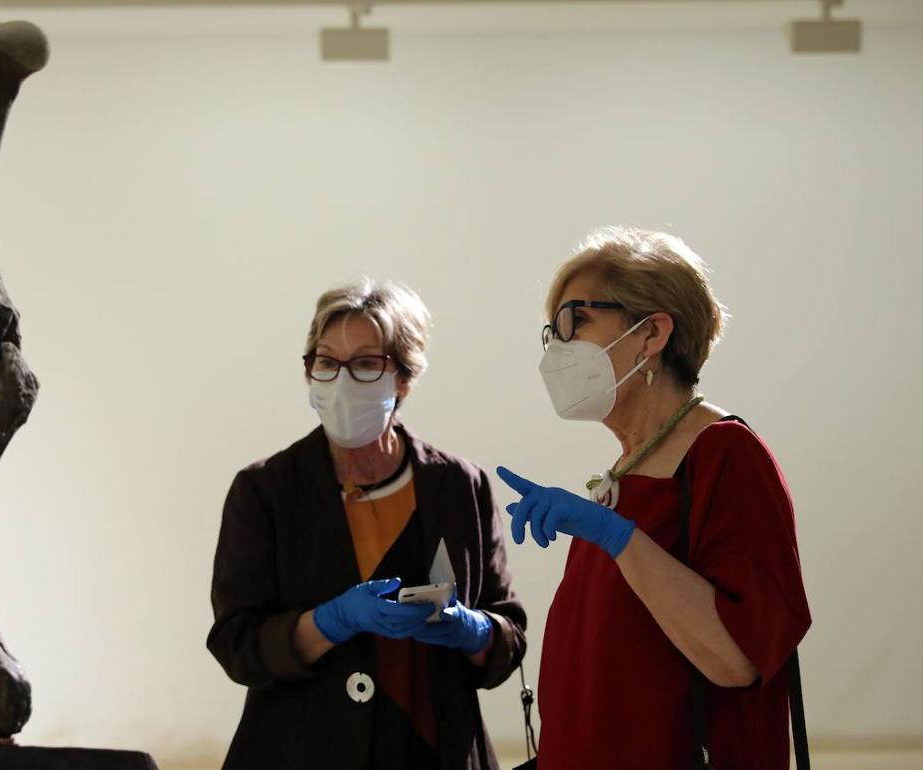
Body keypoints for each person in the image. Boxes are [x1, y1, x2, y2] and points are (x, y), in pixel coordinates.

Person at [498, 227, 811, 769]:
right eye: (553, 332)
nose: (559, 349)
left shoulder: (726, 455)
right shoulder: (624, 471)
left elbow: (737, 657)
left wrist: (617, 537)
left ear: (652, 333)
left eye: (577, 321)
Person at [209, 279, 527, 770]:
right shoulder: (267, 490)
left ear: (403, 377)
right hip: (302, 749)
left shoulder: (460, 485)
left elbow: (509, 637)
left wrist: (476, 631)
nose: (340, 379)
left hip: (434, 748)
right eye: (326, 361)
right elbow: (237, 646)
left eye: (364, 363)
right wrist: (329, 622)